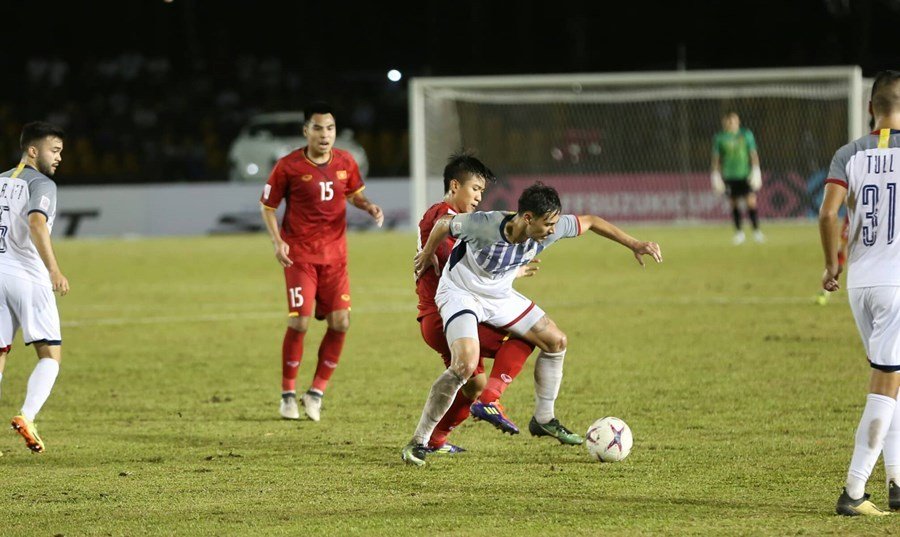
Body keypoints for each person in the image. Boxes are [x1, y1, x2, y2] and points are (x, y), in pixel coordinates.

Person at [402, 182, 662, 466]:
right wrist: (428, 253)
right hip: (461, 292)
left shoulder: (551, 226)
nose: (553, 230)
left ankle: (544, 418)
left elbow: (591, 222)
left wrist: (635, 244)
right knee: (465, 365)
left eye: (554, 223)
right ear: (527, 218)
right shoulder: (485, 224)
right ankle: (419, 441)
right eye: (547, 224)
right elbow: (443, 224)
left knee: (556, 341)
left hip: (499, 294)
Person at [260, 101, 383, 422]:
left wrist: (367, 206)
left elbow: (353, 193)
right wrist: (278, 242)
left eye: (329, 128)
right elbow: (268, 206)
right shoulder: (288, 166)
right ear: (306, 131)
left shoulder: (345, 161)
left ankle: (315, 393)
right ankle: (288, 395)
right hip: (300, 256)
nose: (325, 134)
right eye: (318, 128)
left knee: (341, 322)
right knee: (299, 321)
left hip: (335, 258)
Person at [416, 152, 536, 454]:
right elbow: (453, 257)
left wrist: (511, 268)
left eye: (482, 191)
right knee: (526, 335)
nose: (479, 197)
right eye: (475, 189)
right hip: (445, 314)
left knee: (472, 383)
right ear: (455, 186)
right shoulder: (441, 216)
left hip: (450, 314)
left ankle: (435, 439)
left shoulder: (461, 221)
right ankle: (488, 402)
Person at [820, 69, 900, 516]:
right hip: (898, 283)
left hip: (861, 284)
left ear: (870, 107)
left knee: (894, 379)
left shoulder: (848, 154)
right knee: (885, 384)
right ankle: (853, 491)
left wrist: (832, 263)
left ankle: (897, 481)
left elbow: (828, 214)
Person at [0, 121, 69, 453]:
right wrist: (54, 269)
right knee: (50, 355)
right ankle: (27, 416)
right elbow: (37, 221)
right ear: (32, 151)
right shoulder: (42, 184)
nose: (58, 158)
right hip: (27, 276)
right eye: (53, 151)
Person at [711, 111, 764, 245]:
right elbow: (716, 158)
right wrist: (715, 174)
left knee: (751, 202)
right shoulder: (720, 137)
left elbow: (753, 153)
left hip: (744, 174)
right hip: (729, 175)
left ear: (738, 121)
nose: (731, 123)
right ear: (725, 123)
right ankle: (739, 233)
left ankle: (756, 231)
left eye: (733, 121)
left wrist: (756, 170)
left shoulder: (746, 134)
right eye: (728, 121)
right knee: (733, 203)